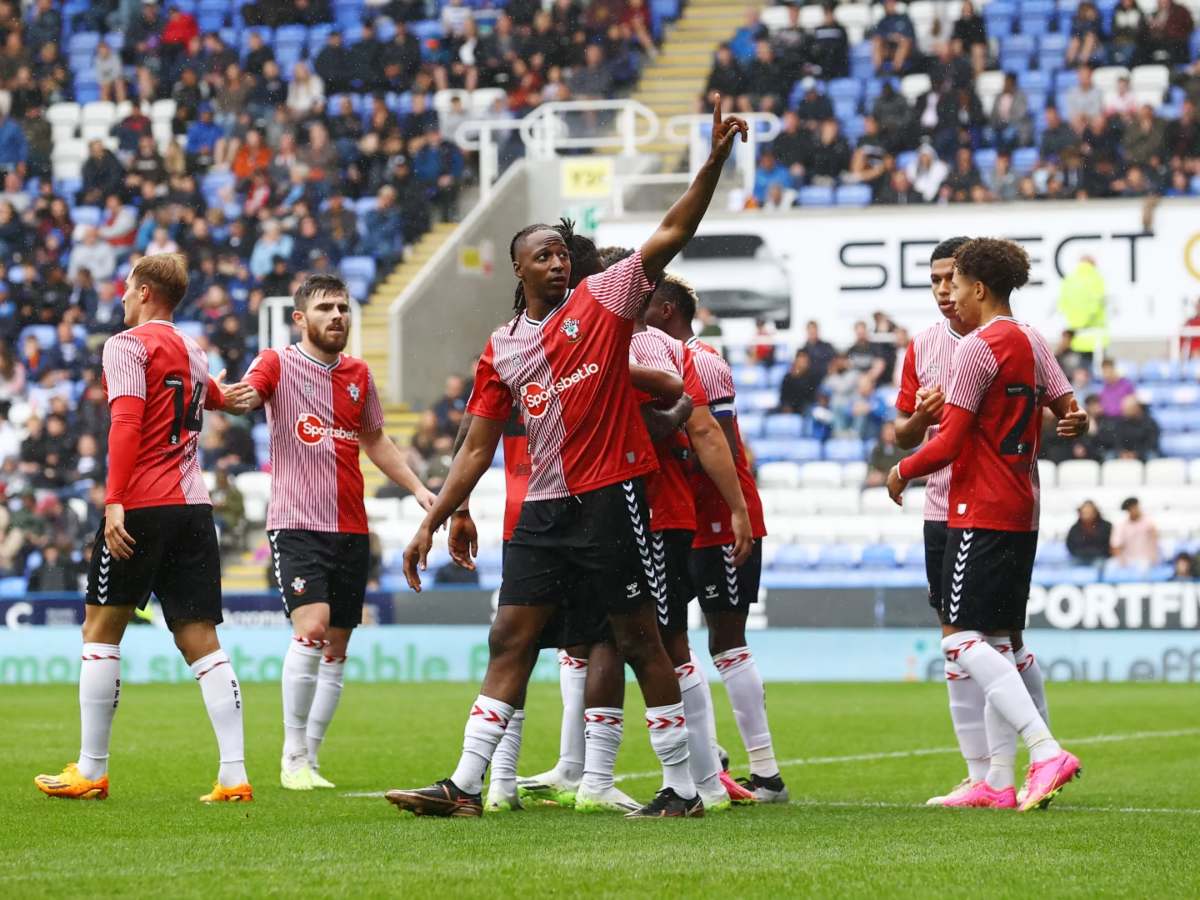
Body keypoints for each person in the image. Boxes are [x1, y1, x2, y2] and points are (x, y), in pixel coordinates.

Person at [386, 99, 751, 820]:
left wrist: (711, 163)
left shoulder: (605, 299)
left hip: (612, 498)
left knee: (640, 636)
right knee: (509, 637)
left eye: (561, 252)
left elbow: (673, 230)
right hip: (544, 513)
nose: (557, 262)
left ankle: (681, 790)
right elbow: (478, 447)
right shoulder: (502, 348)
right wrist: (436, 516)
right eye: (542, 256)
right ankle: (463, 787)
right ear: (518, 269)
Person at [34, 253, 252, 804]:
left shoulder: (125, 346)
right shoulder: (194, 350)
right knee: (201, 639)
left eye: (129, 289)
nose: (123, 297)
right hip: (193, 509)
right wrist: (228, 395)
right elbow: (212, 398)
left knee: (99, 632)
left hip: (142, 506)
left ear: (147, 292)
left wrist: (113, 502)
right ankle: (234, 776)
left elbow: (128, 421)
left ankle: (92, 770)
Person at [887, 238, 1085, 812]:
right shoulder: (1027, 339)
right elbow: (1062, 407)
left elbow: (948, 441)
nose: (948, 292)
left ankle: (1044, 750)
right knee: (996, 639)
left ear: (977, 287)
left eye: (956, 282)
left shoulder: (975, 349)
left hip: (978, 508)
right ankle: (997, 779)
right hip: (1020, 504)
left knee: (965, 640)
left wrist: (901, 469)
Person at [223, 275, 434, 791]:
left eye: (343, 307)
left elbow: (376, 440)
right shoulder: (277, 362)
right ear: (301, 318)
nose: (337, 316)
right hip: (297, 523)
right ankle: (292, 756)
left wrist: (418, 489)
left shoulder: (359, 374)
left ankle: (310, 759)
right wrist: (230, 395)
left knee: (337, 646)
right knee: (311, 629)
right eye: (325, 308)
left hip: (351, 527)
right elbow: (251, 394)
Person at [645, 272, 785, 803]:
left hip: (717, 518)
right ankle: (711, 757)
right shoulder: (656, 356)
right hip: (680, 518)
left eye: (647, 302)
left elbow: (718, 440)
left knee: (726, 642)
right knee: (670, 640)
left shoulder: (700, 361)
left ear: (666, 310)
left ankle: (767, 772)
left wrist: (736, 511)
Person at [1057, 255, 1107, 365]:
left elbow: (1062, 305)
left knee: (1078, 374)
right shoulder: (1096, 279)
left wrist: (1074, 327)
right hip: (1094, 337)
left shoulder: (1069, 280)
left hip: (1074, 338)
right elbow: (1095, 306)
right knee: (1096, 376)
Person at [1110, 497, 1160, 568]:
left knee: (1143, 568)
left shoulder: (1149, 523)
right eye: (1131, 508)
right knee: (1111, 567)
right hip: (1127, 560)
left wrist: (1154, 559)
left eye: (1135, 507)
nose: (1134, 510)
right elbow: (1115, 546)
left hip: (1146, 559)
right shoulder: (1121, 526)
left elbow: (1155, 542)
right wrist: (1122, 560)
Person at [1066, 500, 1112, 564]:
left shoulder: (1106, 526)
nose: (1087, 515)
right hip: (1079, 557)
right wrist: (1079, 553)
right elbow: (1070, 545)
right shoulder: (1075, 528)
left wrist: (1101, 553)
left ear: (1095, 512)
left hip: (1101, 558)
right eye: (1084, 512)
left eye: (1089, 512)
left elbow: (1112, 544)